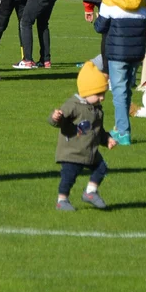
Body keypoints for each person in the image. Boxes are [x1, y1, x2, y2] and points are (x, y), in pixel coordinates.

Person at [93, 0, 146, 145]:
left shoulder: (109, 0)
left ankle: (123, 132)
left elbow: (100, 27)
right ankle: (120, 127)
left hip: (117, 52)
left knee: (119, 92)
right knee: (126, 90)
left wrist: (98, 20)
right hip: (136, 52)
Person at [49, 61, 118, 211]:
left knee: (101, 168)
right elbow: (58, 121)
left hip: (90, 151)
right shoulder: (73, 105)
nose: (102, 98)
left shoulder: (97, 109)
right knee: (69, 177)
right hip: (72, 152)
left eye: (104, 94)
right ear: (86, 91)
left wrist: (107, 139)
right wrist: (56, 117)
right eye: (98, 94)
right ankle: (62, 200)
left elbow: (97, 130)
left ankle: (90, 192)